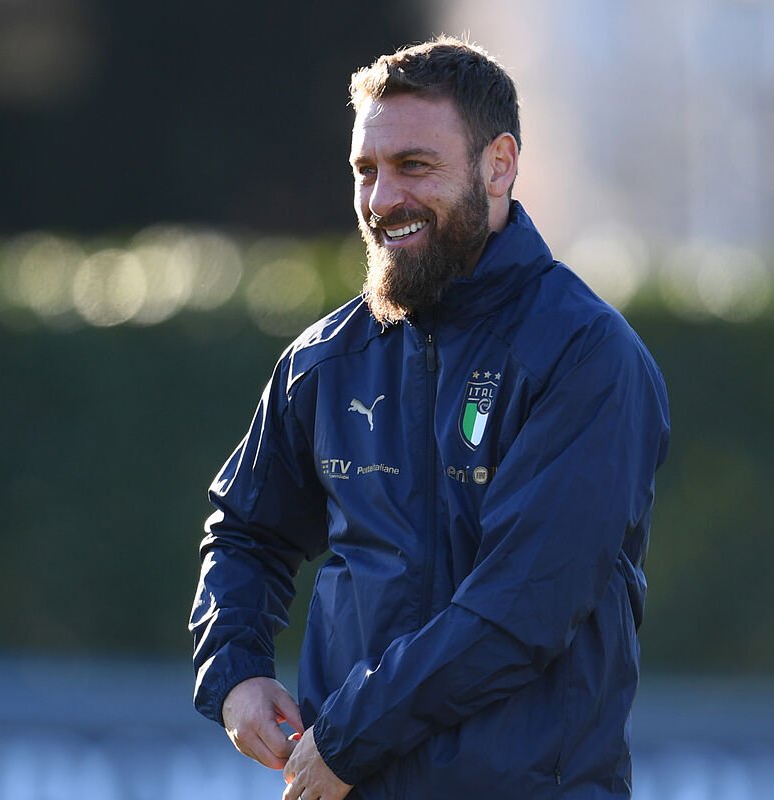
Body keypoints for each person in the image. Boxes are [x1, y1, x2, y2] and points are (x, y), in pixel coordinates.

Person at [190, 35, 671, 800]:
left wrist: (349, 739)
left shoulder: (585, 355)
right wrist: (236, 672)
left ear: (498, 166)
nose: (382, 200)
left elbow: (520, 608)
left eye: (414, 166)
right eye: (366, 171)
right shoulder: (325, 361)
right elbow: (246, 531)